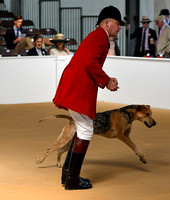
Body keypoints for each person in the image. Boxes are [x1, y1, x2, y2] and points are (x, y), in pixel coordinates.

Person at [53, 5, 125, 190]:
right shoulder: (101, 37)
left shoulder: (97, 36)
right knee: (85, 130)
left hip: (75, 86)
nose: (119, 27)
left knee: (82, 128)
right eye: (117, 24)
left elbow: (89, 62)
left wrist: (107, 78)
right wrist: (107, 82)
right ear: (107, 23)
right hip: (78, 89)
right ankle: (72, 179)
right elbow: (90, 62)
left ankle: (68, 175)